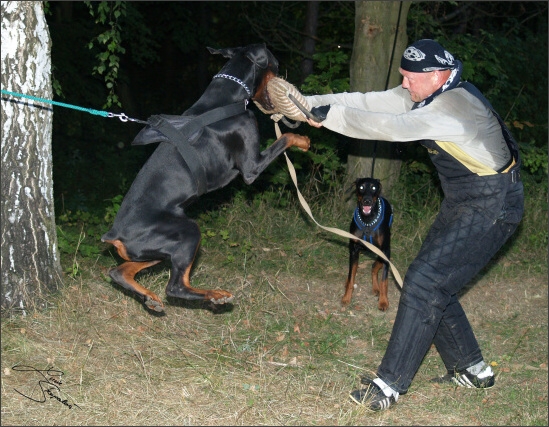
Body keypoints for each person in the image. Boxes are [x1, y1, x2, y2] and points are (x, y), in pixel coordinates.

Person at [303, 39, 524, 411]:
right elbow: (369, 101)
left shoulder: (453, 107)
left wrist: (329, 117)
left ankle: (388, 386)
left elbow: (389, 127)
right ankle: (472, 369)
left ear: (436, 75)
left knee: (426, 280)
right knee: (434, 281)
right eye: (402, 77)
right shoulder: (429, 89)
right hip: (465, 198)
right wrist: (308, 102)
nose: (404, 85)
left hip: (493, 202)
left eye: (409, 79)